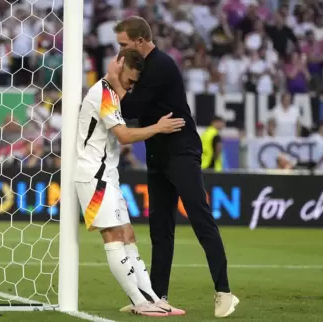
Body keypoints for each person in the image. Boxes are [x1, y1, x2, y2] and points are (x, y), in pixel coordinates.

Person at [106, 16, 239, 318]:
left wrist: (115, 81)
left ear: (140, 41)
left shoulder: (161, 65)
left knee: (199, 218)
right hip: (158, 154)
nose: (120, 52)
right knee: (160, 230)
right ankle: (156, 297)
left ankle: (224, 292)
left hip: (181, 152)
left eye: (124, 45)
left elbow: (131, 110)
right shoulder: (145, 67)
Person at [74, 48, 186, 317]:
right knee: (113, 236)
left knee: (128, 235)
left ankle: (152, 297)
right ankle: (139, 301)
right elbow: (123, 136)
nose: (130, 86)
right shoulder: (102, 93)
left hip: (107, 174)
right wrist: (157, 128)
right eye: (129, 81)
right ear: (119, 64)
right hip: (94, 175)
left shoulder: (111, 94)